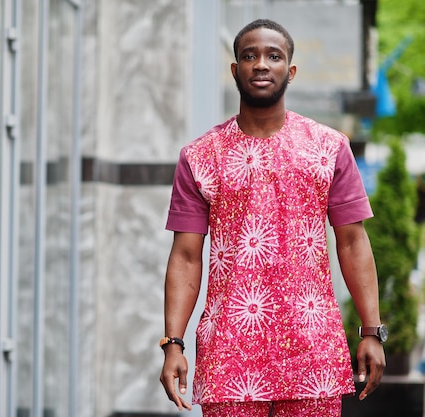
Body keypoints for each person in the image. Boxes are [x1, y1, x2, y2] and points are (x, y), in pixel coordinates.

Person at [159, 19, 386, 417]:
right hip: (229, 352)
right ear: (235, 70)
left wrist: (372, 331)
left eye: (273, 56)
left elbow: (352, 241)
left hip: (311, 350)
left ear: (290, 71)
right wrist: (173, 343)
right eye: (249, 56)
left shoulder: (330, 148)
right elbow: (186, 256)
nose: (260, 64)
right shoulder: (200, 156)